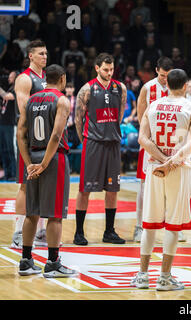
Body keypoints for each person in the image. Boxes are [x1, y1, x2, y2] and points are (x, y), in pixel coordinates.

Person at [130, 69, 191, 290]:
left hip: (154, 167)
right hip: (178, 169)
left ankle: (142, 275)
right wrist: (171, 161)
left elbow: (142, 138)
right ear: (185, 86)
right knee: (173, 224)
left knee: (149, 223)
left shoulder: (153, 106)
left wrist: (162, 159)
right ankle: (164, 278)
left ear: (167, 84)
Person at [16, 64, 78, 278]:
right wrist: (43, 164)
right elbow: (55, 136)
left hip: (32, 157)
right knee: (55, 215)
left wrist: (29, 164)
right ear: (62, 79)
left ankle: (25, 260)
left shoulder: (32, 99)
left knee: (31, 212)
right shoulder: (61, 100)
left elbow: (20, 133)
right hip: (53, 159)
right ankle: (52, 263)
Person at [73, 53, 127, 246]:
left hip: (113, 142)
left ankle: (109, 231)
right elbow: (78, 119)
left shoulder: (120, 88)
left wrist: (111, 131)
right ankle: (79, 232)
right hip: (93, 143)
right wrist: (85, 139)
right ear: (97, 68)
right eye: (105, 69)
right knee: (85, 189)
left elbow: (119, 115)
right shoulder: (87, 89)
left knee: (112, 189)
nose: (109, 73)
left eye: (111, 69)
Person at [11, 40, 48, 249]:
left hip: (45, 136)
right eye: (41, 54)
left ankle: (41, 231)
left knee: (44, 183)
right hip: (29, 136)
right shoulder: (25, 79)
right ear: (31, 56)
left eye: (46, 53)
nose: (45, 56)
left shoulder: (48, 77)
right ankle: (17, 232)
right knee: (25, 184)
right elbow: (25, 110)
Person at [135, 57, 173, 243]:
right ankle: (138, 226)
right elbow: (141, 115)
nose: (165, 79)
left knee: (172, 184)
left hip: (172, 143)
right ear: (156, 70)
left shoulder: (178, 86)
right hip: (151, 143)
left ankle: (173, 225)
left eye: (168, 76)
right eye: (162, 75)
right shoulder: (147, 88)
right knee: (144, 185)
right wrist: (147, 139)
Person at [0, 71, 17, 181]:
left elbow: (6, 97)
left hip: (9, 124)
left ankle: (13, 173)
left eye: (11, 77)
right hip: (2, 122)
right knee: (3, 149)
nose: (8, 78)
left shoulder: (16, 90)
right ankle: (7, 172)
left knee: (10, 149)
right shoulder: (10, 88)